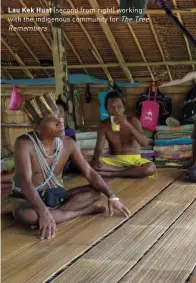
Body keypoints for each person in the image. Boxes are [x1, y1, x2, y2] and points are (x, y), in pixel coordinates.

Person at [11, 93, 130, 240]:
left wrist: (112, 197)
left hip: (57, 196)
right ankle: (81, 212)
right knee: (27, 215)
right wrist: (43, 212)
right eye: (51, 119)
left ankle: (54, 215)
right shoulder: (24, 143)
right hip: (29, 199)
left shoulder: (68, 143)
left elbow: (89, 172)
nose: (60, 122)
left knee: (97, 192)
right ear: (36, 127)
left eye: (59, 116)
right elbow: (24, 180)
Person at [91, 91, 156, 178]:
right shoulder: (104, 125)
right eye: (112, 107)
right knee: (87, 161)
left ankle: (113, 173)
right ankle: (128, 171)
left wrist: (127, 124)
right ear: (106, 109)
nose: (116, 110)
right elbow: (99, 148)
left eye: (119, 107)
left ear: (124, 108)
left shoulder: (133, 120)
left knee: (150, 168)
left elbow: (144, 143)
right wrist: (97, 158)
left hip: (134, 160)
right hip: (114, 160)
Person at [56, 99, 78, 174]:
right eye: (54, 112)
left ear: (65, 113)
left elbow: (73, 155)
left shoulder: (70, 132)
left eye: (60, 112)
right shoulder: (49, 132)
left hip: (68, 164)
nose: (57, 115)